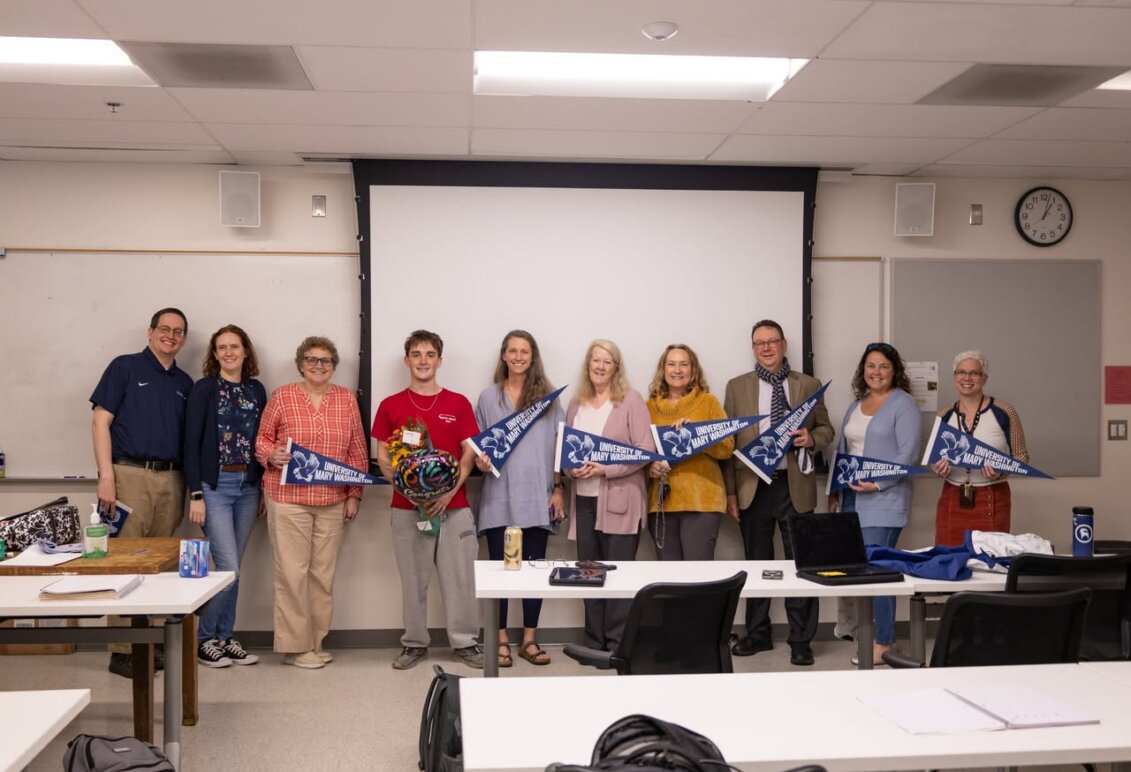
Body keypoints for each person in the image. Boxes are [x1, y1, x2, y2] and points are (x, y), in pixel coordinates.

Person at [723, 320, 834, 667]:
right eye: (760, 343)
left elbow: (827, 428)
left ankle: (801, 640)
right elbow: (728, 445)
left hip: (794, 485)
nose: (767, 348)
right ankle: (757, 634)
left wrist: (812, 439)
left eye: (772, 341)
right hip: (753, 487)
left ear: (784, 345)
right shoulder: (736, 386)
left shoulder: (808, 384)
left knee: (802, 565)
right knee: (757, 565)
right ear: (753, 348)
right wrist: (730, 494)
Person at [90, 307, 194, 678]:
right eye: (164, 328)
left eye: (178, 331)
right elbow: (100, 422)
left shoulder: (185, 383)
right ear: (150, 332)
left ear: (184, 339)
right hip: (128, 474)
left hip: (172, 479)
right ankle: (122, 650)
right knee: (123, 561)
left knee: (159, 565)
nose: (171, 335)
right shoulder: (125, 367)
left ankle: (150, 644)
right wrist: (106, 476)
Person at [373, 330, 482, 671]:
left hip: (455, 507)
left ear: (439, 360)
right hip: (408, 510)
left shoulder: (458, 403)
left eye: (430, 354)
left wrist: (449, 491)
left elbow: (468, 454)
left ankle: (465, 643)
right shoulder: (390, 405)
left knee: (461, 580)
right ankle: (414, 644)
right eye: (417, 354)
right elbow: (383, 455)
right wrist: (411, 490)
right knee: (413, 581)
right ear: (407, 360)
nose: (423, 360)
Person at [255, 336, 366, 670]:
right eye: (312, 360)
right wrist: (270, 455)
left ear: (334, 366)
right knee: (292, 574)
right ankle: (295, 647)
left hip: (332, 500)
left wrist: (354, 494)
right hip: (288, 499)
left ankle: (315, 642)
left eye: (326, 360)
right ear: (301, 364)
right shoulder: (282, 396)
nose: (319, 366)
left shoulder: (346, 400)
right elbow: (262, 439)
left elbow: (357, 450)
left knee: (322, 576)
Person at [474, 330, 565, 668]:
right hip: (499, 499)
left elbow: (559, 448)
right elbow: (479, 449)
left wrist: (559, 489)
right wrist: (481, 462)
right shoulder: (488, 398)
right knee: (501, 571)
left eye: (524, 351)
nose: (518, 356)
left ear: (533, 356)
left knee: (533, 571)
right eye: (512, 350)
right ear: (503, 355)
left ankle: (529, 640)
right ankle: (500, 639)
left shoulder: (549, 401)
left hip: (537, 497)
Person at [827, 342, 922, 665]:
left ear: (894, 371)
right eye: (870, 365)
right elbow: (844, 452)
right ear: (863, 370)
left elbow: (908, 454)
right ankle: (868, 635)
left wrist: (879, 482)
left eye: (883, 366)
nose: (876, 372)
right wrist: (835, 492)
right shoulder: (857, 405)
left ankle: (884, 642)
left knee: (878, 571)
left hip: (884, 499)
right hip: (852, 497)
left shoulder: (904, 404)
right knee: (861, 570)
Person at [184, 324, 267, 668]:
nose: (229, 353)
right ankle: (203, 640)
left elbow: (262, 441)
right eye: (222, 347)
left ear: (246, 352)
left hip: (248, 488)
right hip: (214, 488)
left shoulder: (256, 390)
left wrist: (261, 488)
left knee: (234, 569)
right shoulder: (204, 389)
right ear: (215, 354)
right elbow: (190, 443)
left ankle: (225, 637)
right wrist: (196, 494)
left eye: (235, 346)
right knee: (228, 567)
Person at [565, 339, 655, 652]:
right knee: (588, 574)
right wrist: (571, 471)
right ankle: (593, 642)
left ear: (616, 367)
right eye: (596, 360)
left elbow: (645, 451)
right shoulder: (576, 403)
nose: (600, 366)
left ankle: (617, 645)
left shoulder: (630, 401)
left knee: (617, 575)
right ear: (587, 365)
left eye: (607, 361)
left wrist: (606, 470)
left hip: (620, 502)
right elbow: (567, 451)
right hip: (584, 500)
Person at [931, 350, 1030, 546]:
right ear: (954, 377)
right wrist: (937, 467)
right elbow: (933, 458)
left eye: (974, 373)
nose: (967, 378)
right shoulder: (944, 415)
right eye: (961, 372)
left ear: (984, 378)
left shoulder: (1004, 411)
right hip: (952, 496)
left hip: (992, 496)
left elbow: (1022, 456)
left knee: (989, 557)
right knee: (949, 556)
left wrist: (1002, 470)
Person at [645, 343, 734, 560]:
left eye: (684, 364)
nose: (677, 370)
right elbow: (642, 452)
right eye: (671, 364)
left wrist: (697, 434)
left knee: (698, 574)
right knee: (669, 576)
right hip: (662, 505)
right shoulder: (648, 407)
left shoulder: (708, 402)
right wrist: (650, 468)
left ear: (693, 370)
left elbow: (727, 448)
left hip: (702, 503)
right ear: (663, 369)